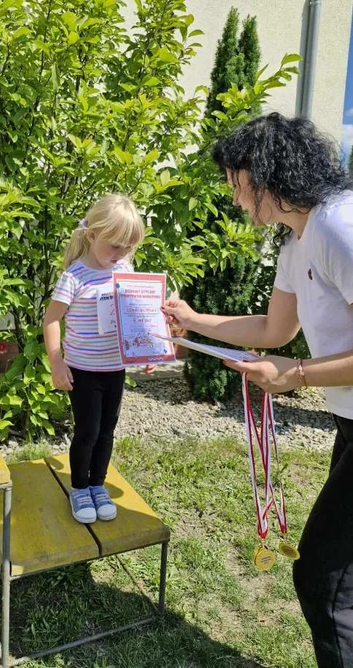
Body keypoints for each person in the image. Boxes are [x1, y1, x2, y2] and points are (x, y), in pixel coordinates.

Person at [162, 112, 353, 668]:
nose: (236, 199)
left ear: (265, 175)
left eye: (237, 184)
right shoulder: (298, 240)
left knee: (323, 578)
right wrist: (193, 319)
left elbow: (286, 354)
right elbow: (274, 330)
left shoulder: (339, 228)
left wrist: (293, 376)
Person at [43, 194, 145, 524]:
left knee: (107, 432)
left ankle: (98, 486)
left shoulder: (125, 269)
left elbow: (135, 315)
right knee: (87, 431)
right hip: (83, 372)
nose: (122, 255)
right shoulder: (74, 277)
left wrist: (147, 348)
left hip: (114, 369)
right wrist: (57, 361)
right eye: (115, 246)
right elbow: (51, 320)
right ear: (92, 236)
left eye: (128, 248)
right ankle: (79, 488)